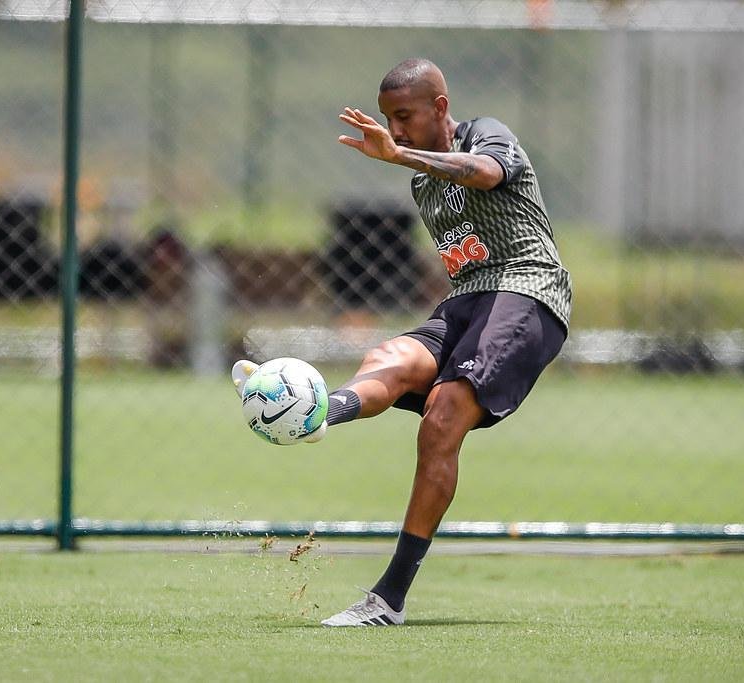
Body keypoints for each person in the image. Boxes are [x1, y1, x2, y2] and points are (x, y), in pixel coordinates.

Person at [232, 58, 571, 626]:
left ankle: (387, 599)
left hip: (528, 288)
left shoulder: (486, 134)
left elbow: (484, 174)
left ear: (440, 107)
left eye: (405, 116)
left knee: (442, 414)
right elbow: (464, 258)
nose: (396, 131)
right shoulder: (421, 182)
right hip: (470, 300)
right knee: (389, 358)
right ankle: (314, 412)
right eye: (389, 120)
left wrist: (402, 154)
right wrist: (406, 158)